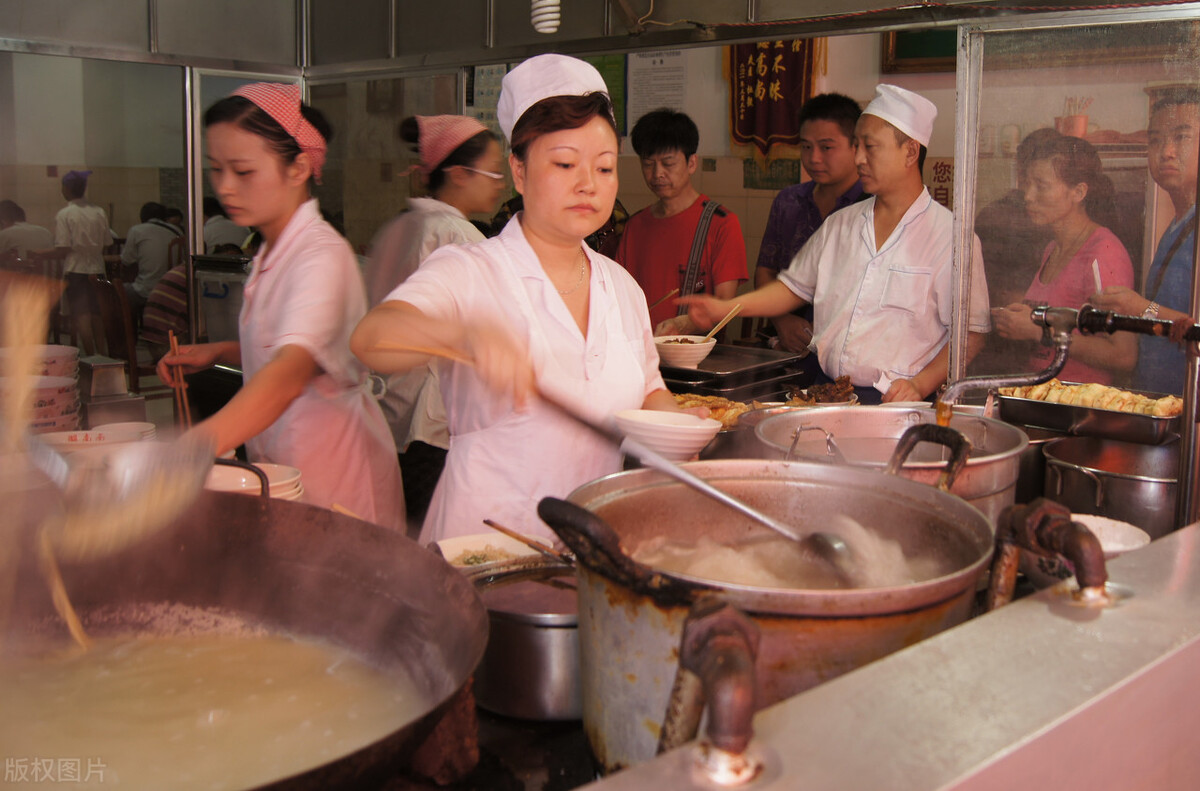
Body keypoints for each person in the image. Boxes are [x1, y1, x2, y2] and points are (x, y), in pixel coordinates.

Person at [352, 54, 682, 545]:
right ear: (520, 171)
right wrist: (461, 335)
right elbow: (372, 338)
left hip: (591, 546)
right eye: (565, 163)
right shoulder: (471, 269)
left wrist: (676, 427)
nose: (588, 184)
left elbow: (648, 391)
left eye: (605, 167)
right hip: (485, 550)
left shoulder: (621, 286)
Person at [158, 83, 403, 530]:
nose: (225, 187)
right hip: (286, 458)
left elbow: (289, 372)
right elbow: (296, 348)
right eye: (216, 170)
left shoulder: (320, 255)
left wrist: (189, 450)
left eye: (243, 171)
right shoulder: (272, 250)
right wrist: (219, 352)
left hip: (333, 472)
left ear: (299, 168)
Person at [679, 84, 991, 404]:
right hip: (826, 389)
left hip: (898, 402)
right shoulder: (840, 225)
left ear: (910, 152)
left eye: (870, 147)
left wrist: (921, 384)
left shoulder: (951, 238)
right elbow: (790, 289)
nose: (858, 158)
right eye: (856, 146)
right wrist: (727, 308)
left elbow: (972, 332)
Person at [364, 114, 505, 525]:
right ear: (459, 174)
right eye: (494, 172)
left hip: (389, 410)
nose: (501, 183)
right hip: (429, 423)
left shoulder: (402, 226)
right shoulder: (460, 239)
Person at [992, 134, 1136, 385]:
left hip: (1079, 408)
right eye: (1027, 184)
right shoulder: (1052, 248)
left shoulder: (1103, 252)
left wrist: (1037, 331)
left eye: (1041, 186)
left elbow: (1123, 354)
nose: (1028, 196)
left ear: (1078, 192)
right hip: (1043, 395)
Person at [1091, 88, 1200, 395]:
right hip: (1164, 405)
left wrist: (1141, 308)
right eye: (1155, 139)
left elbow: (1193, 329)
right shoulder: (1180, 223)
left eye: (1181, 137)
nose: (1165, 151)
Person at [616, 108, 748, 333]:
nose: (657, 173)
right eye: (648, 164)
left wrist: (685, 324)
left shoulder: (721, 223)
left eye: (668, 163)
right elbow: (618, 294)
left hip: (696, 358)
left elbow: (725, 304)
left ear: (691, 163)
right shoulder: (635, 225)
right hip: (641, 354)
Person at [755, 93, 867, 354]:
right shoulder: (789, 201)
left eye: (827, 147)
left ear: (856, 146)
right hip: (788, 345)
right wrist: (782, 321)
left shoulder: (872, 203)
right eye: (806, 146)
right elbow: (766, 271)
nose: (814, 158)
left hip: (850, 349)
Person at [49, 170, 113, 355]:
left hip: (76, 269)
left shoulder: (65, 213)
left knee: (82, 315)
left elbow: (63, 247)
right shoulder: (99, 211)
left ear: (66, 188)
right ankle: (103, 354)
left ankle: (91, 356)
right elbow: (108, 242)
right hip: (97, 269)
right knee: (97, 314)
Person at [120, 200, 184, 316]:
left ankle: (131, 330)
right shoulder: (177, 231)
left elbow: (127, 260)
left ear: (142, 217)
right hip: (174, 291)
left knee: (119, 291)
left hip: (146, 291)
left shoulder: (137, 230)